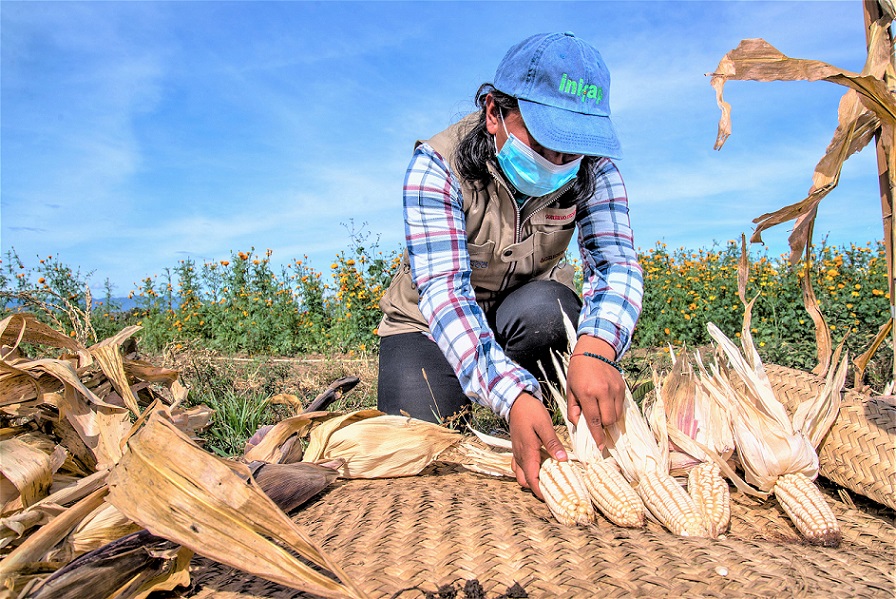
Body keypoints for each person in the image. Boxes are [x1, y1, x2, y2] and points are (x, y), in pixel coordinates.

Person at [376, 32, 643, 501]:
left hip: (522, 309)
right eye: (544, 141)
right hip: (431, 324)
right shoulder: (436, 167)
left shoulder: (595, 171)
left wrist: (598, 348)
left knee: (549, 311)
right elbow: (444, 293)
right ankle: (517, 402)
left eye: (571, 147)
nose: (558, 162)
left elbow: (616, 265)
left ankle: (546, 408)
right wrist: (511, 395)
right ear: (493, 112)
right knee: (414, 437)